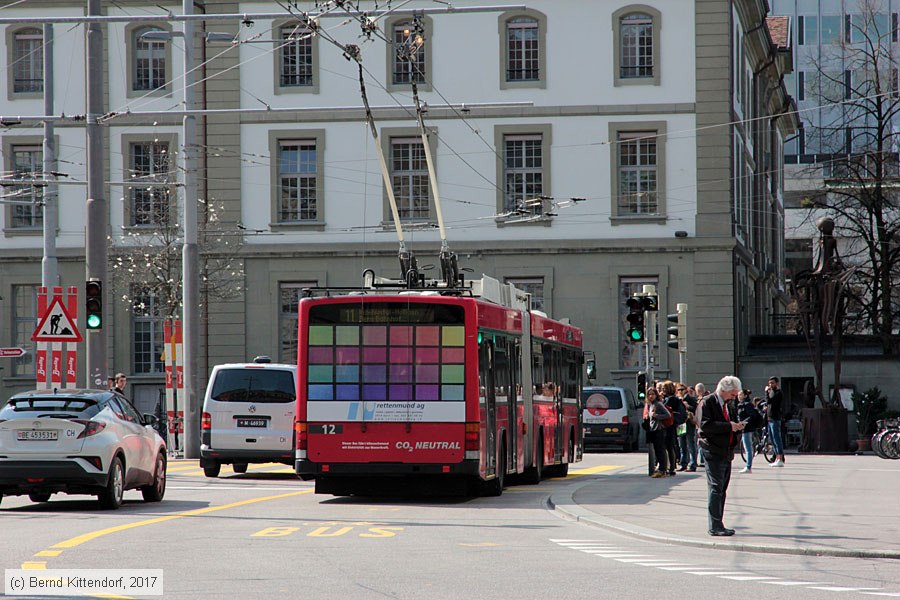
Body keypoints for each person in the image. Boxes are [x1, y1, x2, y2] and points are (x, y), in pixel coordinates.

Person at [698, 375, 745, 536]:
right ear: (724, 390)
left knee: (722, 489)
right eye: (732, 394)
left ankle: (718, 523)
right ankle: (715, 526)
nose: (734, 398)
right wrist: (728, 426)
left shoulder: (728, 404)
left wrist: (738, 426)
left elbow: (730, 422)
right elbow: (704, 425)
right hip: (712, 450)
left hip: (726, 451)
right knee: (716, 487)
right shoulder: (708, 402)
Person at [737, 390, 764, 473]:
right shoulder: (740, 405)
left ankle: (748, 466)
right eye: (738, 395)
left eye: (740, 394)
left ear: (745, 395)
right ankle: (748, 466)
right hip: (744, 427)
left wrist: (744, 422)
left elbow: (752, 416)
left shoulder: (747, 405)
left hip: (747, 428)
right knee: (747, 447)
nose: (738, 396)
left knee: (748, 447)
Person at [646, 387, 671, 478]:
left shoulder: (658, 404)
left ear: (656, 395)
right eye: (649, 394)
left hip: (659, 430)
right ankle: (661, 468)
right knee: (657, 450)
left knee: (660, 450)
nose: (651, 396)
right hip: (653, 430)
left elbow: (667, 415)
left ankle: (663, 470)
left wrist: (656, 415)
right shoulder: (650, 404)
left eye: (652, 394)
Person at [662, 381, 684, 476]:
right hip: (671, 425)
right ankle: (671, 466)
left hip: (669, 425)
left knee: (669, 446)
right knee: (670, 446)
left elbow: (664, 408)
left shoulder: (671, 399)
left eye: (664, 388)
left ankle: (671, 467)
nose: (662, 390)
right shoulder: (672, 398)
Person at [677, 383, 699, 471]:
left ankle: (693, 464)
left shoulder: (690, 399)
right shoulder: (678, 400)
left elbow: (696, 409)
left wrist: (688, 406)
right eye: (679, 390)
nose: (680, 391)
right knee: (682, 445)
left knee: (691, 444)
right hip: (681, 424)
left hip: (689, 423)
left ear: (685, 390)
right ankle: (683, 463)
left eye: (682, 390)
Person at [766, 376, 786, 467]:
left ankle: (780, 458)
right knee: (773, 439)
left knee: (777, 438)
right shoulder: (772, 392)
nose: (770, 385)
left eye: (772, 383)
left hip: (775, 418)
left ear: (777, 383)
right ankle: (776, 458)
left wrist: (767, 392)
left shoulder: (778, 393)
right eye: (769, 383)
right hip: (769, 418)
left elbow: (770, 401)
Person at [694, 382, 707, 467]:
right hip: (700, 424)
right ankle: (702, 459)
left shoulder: (704, 400)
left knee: (701, 442)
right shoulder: (701, 399)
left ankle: (703, 460)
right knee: (700, 443)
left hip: (702, 424)